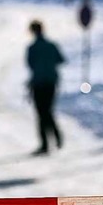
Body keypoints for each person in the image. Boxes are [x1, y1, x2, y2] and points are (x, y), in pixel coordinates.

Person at [26, 20, 66, 155]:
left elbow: (30, 65)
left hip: (38, 83)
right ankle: (56, 136)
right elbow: (61, 60)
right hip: (51, 82)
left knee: (41, 113)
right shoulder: (52, 45)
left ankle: (45, 143)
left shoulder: (32, 48)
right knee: (48, 111)